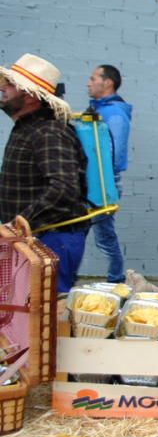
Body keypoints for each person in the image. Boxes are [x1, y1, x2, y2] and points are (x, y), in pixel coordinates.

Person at [0, 54, 90, 293]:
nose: (3, 87)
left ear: (30, 96)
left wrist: (18, 224)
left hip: (52, 240)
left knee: (46, 319)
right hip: (34, 239)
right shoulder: (27, 128)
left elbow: (64, 188)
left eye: (10, 84)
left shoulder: (48, 131)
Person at [86, 64, 133, 283]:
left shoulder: (114, 113)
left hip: (102, 183)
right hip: (93, 180)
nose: (89, 82)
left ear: (108, 83)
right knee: (85, 231)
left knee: (104, 235)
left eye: (93, 78)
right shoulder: (99, 110)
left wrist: (103, 185)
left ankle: (116, 280)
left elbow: (115, 152)